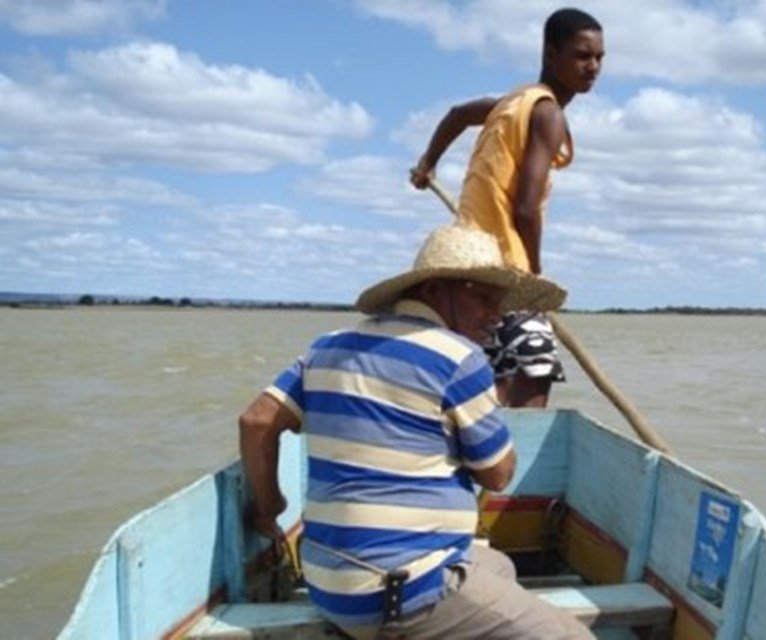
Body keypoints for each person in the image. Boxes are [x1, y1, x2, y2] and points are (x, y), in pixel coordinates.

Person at [239, 223, 591, 639]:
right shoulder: (460, 358)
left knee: (498, 567)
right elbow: (497, 475)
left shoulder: (327, 345)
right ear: (435, 290)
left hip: (327, 582)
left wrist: (269, 506)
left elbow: (257, 420)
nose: (495, 316)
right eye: (482, 298)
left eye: (499, 304)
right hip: (402, 592)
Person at [410, 7, 604, 409]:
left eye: (599, 57)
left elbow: (458, 115)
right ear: (551, 55)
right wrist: (534, 278)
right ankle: (512, 467)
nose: (593, 67)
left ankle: (484, 460)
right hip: (503, 269)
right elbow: (526, 209)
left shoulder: (511, 103)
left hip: (464, 269)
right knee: (536, 369)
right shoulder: (546, 113)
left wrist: (428, 163)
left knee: (491, 376)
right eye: (583, 56)